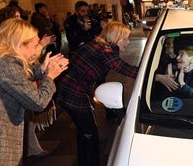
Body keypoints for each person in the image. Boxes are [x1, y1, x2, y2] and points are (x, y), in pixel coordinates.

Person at [56, 21, 139, 166]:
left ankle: (85, 161)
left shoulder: (99, 45)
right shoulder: (104, 50)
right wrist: (151, 75)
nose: (128, 42)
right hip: (74, 94)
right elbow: (122, 67)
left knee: (85, 132)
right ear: (116, 37)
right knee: (90, 134)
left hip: (70, 90)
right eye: (125, 38)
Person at [0, 18, 69, 166]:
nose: (36, 51)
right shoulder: (6, 64)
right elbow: (38, 102)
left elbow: (22, 76)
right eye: (34, 46)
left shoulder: (7, 61)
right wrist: (50, 77)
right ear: (19, 44)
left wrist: (42, 68)